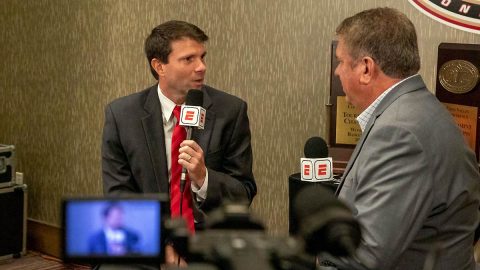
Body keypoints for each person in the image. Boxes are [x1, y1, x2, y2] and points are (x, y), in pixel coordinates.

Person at [330, 7, 480, 270]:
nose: (337, 71)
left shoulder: (400, 132)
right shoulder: (415, 110)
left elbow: (366, 256)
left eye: (341, 61)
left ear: (366, 68)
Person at [101, 20, 256, 265]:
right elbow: (120, 196)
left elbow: (244, 191)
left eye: (202, 57)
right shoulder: (122, 115)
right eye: (188, 59)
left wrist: (204, 178)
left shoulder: (231, 111)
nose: (201, 67)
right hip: (146, 242)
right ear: (159, 66)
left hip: (209, 242)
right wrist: (161, 247)